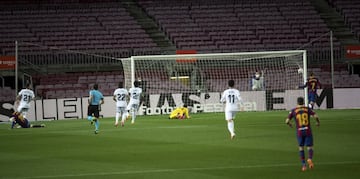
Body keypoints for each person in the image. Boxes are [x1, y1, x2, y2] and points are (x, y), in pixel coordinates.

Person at [285, 97, 320, 171]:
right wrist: (317, 122)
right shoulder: (307, 109)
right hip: (307, 130)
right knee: (309, 147)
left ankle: (304, 165)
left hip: (299, 131)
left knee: (301, 148)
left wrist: (290, 124)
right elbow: (316, 116)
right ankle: (310, 158)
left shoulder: (293, 110)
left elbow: (287, 121)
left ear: (297, 102)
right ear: (303, 102)